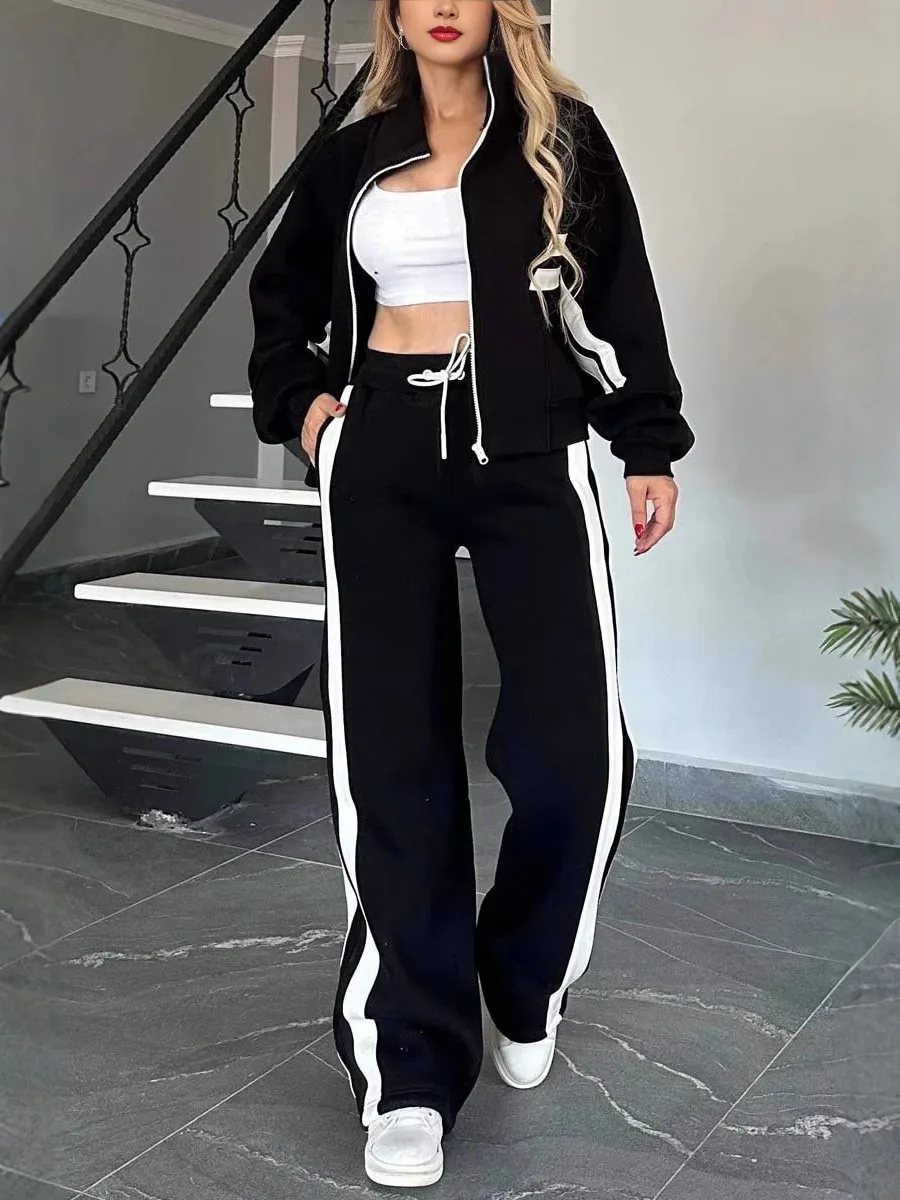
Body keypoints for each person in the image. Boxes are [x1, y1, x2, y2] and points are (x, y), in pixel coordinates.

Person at [249, 0, 694, 1187]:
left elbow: (619, 293)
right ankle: (410, 1066)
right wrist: (305, 410)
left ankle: (520, 977)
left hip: (529, 449)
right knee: (390, 755)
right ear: (396, 12)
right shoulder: (353, 151)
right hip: (382, 450)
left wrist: (645, 442)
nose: (444, 2)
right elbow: (281, 297)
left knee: (574, 752)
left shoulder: (561, 139)